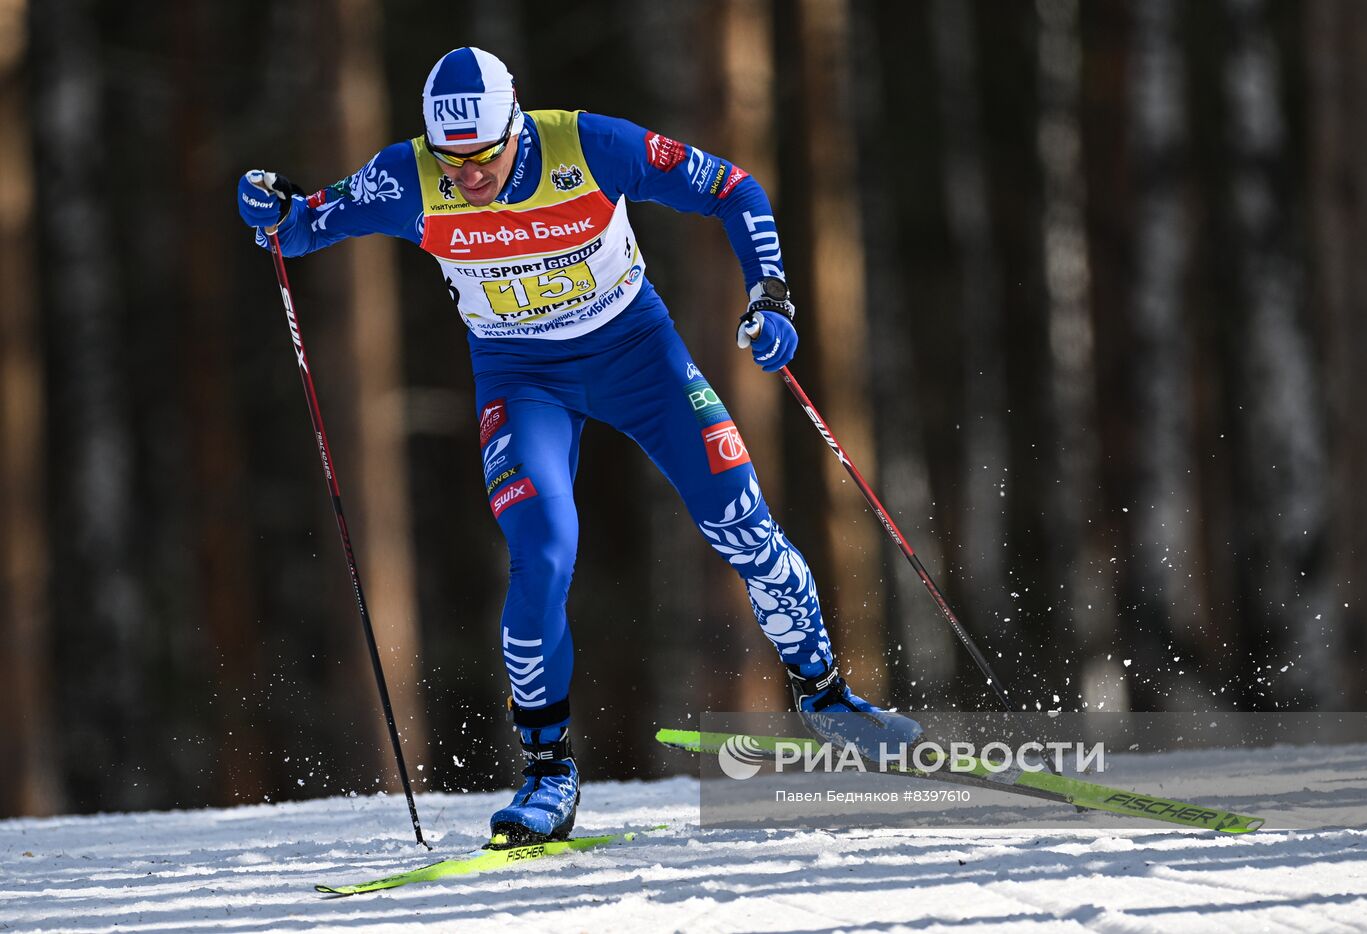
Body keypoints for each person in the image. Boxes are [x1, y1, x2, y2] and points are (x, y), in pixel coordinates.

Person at [237, 47, 917, 844]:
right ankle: (548, 769)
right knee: (545, 551)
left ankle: (828, 698)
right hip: (521, 378)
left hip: (637, 354)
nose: (468, 176)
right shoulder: (408, 176)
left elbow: (734, 188)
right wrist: (269, 208)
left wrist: (769, 294)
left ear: (515, 125)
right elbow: (303, 224)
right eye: (451, 158)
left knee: (741, 522)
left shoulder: (590, 146)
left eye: (484, 155)